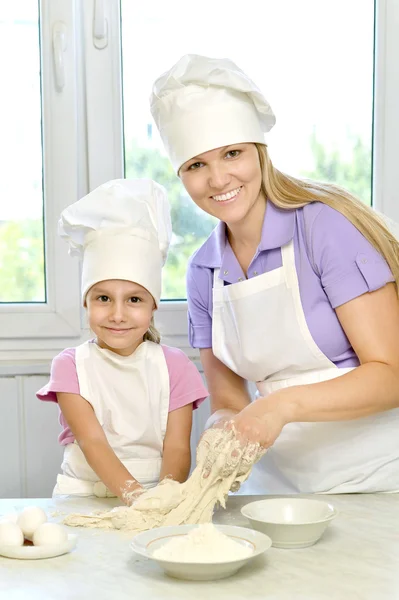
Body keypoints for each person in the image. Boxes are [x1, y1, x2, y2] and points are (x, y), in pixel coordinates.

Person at [149, 54, 399, 494]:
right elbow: (229, 400)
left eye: (232, 153)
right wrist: (222, 430)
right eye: (196, 165)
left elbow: (391, 373)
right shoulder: (204, 270)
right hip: (279, 490)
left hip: (379, 478)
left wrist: (281, 406)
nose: (218, 178)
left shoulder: (323, 228)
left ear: (259, 152)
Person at [36, 179, 208, 504]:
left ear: (153, 305)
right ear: (86, 303)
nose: (117, 314)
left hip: (155, 493)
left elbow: (176, 447)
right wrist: (135, 499)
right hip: (81, 495)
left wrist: (162, 502)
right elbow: (92, 442)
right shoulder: (71, 366)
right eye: (103, 298)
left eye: (134, 300)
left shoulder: (175, 367)